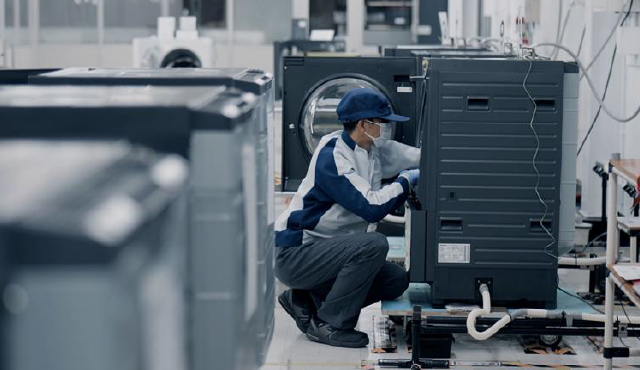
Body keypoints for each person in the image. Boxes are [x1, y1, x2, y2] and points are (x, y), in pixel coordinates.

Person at [274, 88, 420, 348]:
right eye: (382, 122)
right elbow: (371, 207)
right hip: (297, 253)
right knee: (374, 244)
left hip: (327, 253)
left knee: (395, 280)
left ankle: (305, 300)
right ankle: (331, 324)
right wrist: (404, 182)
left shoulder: (372, 149)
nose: (385, 128)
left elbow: (417, 157)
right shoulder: (333, 156)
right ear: (364, 125)